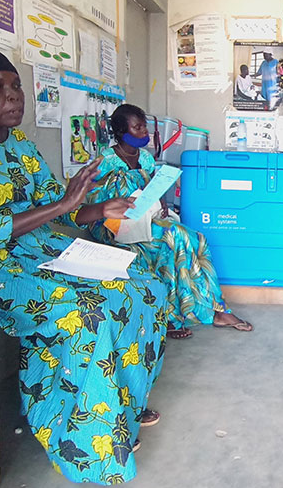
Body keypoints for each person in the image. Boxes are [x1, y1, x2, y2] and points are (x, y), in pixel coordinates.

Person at [0, 42, 166, 485]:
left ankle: (117, 403)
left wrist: (100, 209)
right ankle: (87, 443)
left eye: (17, 87)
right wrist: (62, 204)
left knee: (143, 283)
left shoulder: (19, 144)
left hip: (33, 253)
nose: (14, 97)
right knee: (85, 308)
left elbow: (57, 209)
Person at [86, 103, 253, 339]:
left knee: (197, 238)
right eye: (138, 127)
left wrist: (159, 200)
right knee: (173, 237)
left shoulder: (144, 158)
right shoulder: (104, 161)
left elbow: (149, 189)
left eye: (145, 126)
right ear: (123, 132)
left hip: (145, 221)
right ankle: (171, 317)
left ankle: (215, 308)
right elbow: (91, 201)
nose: (145, 132)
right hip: (113, 226)